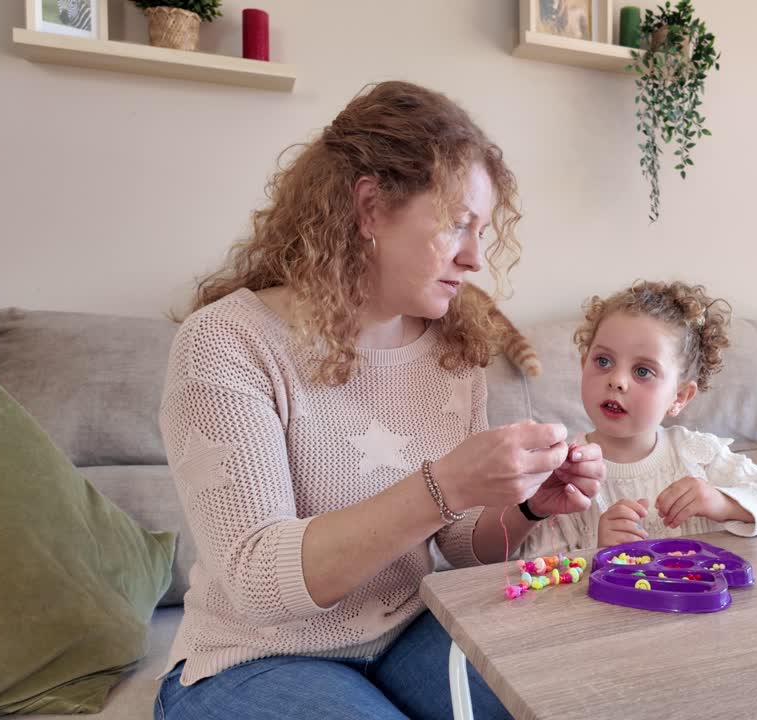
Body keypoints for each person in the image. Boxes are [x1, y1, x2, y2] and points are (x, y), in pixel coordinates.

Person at [153, 81, 604, 720]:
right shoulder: (227, 343)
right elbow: (257, 583)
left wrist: (526, 508)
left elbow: (452, 542)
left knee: (576, 692)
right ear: (369, 208)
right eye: (456, 224)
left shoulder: (452, 345)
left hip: (408, 631)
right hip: (255, 659)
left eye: (482, 231)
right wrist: (446, 481)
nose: (476, 257)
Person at [520, 280, 757, 558]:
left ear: (680, 397)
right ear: (584, 365)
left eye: (643, 371)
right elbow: (536, 569)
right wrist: (599, 552)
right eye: (603, 361)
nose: (618, 380)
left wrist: (724, 502)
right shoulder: (566, 471)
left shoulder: (698, 455)